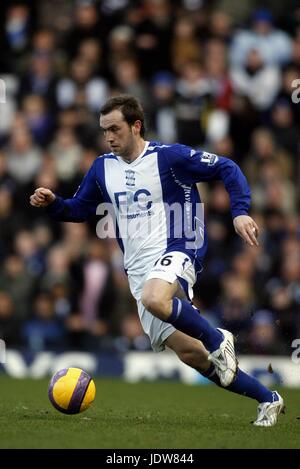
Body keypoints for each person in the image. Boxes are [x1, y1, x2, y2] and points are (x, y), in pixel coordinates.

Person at [30, 94, 284, 427]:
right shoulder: (102, 167)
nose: (108, 137)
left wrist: (239, 212)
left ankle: (219, 338)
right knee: (193, 354)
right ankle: (268, 399)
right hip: (139, 271)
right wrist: (52, 203)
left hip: (179, 247)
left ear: (136, 126)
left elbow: (227, 167)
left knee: (156, 299)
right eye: (104, 130)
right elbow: (79, 209)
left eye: (115, 129)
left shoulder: (169, 157)